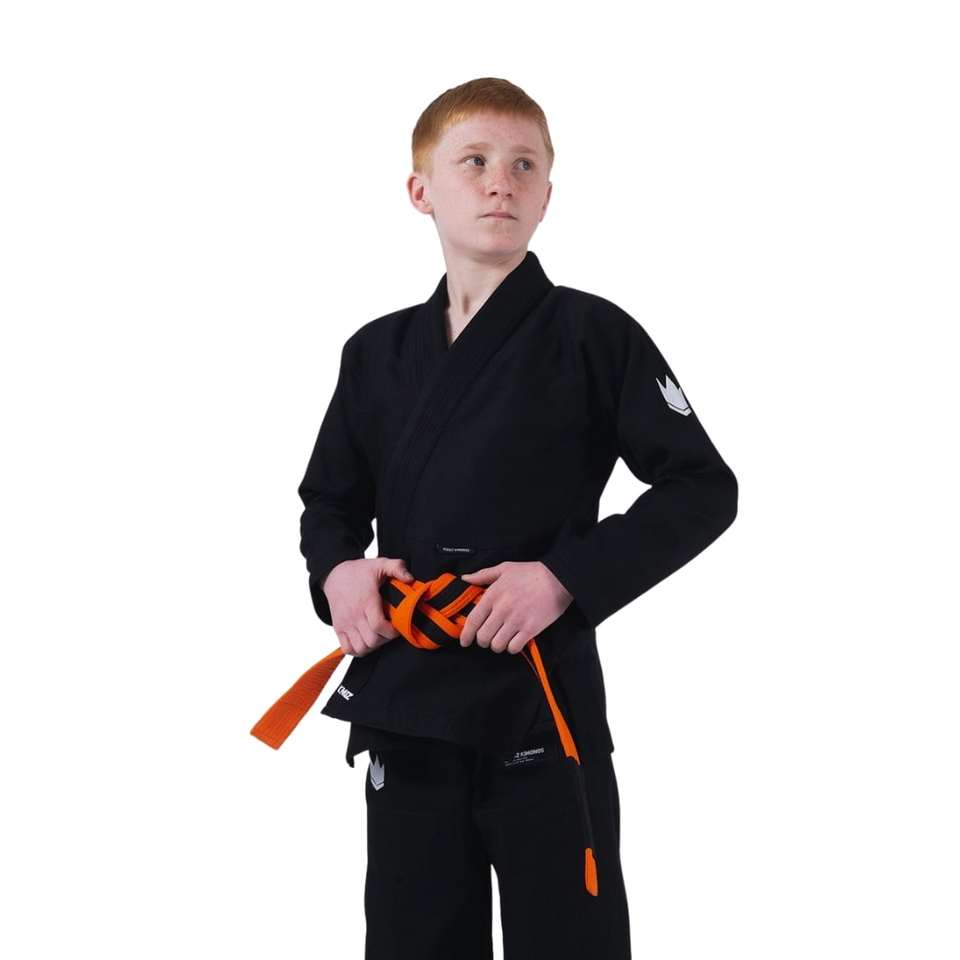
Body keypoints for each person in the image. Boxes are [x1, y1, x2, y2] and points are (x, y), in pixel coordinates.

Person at [296, 77, 738, 960]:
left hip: (541, 696)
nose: (501, 181)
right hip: (410, 700)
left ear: (547, 195)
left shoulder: (593, 334)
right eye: (475, 161)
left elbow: (702, 486)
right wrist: (338, 572)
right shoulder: (375, 351)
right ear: (421, 189)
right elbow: (329, 504)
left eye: (524, 165)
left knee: (569, 941)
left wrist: (566, 578)